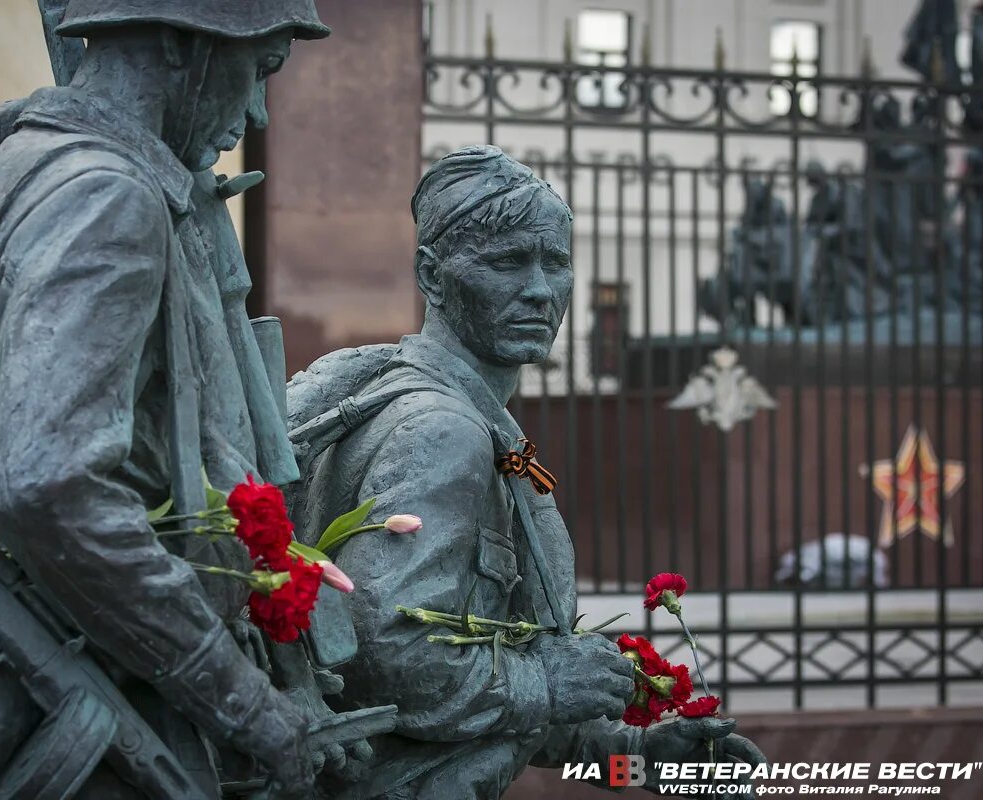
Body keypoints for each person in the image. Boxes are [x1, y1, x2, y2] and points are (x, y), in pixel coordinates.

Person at [0, 2, 332, 797]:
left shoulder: (22, 159)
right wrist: (246, 706)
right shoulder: (103, 197)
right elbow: (47, 485)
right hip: (89, 725)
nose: (256, 110)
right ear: (176, 45)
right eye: (257, 70)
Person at [287, 146, 767, 798]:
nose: (540, 289)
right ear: (432, 276)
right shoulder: (443, 431)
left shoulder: (486, 426)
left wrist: (632, 756)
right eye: (507, 262)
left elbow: (490, 703)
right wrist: (545, 680)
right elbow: (387, 656)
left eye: (556, 262)